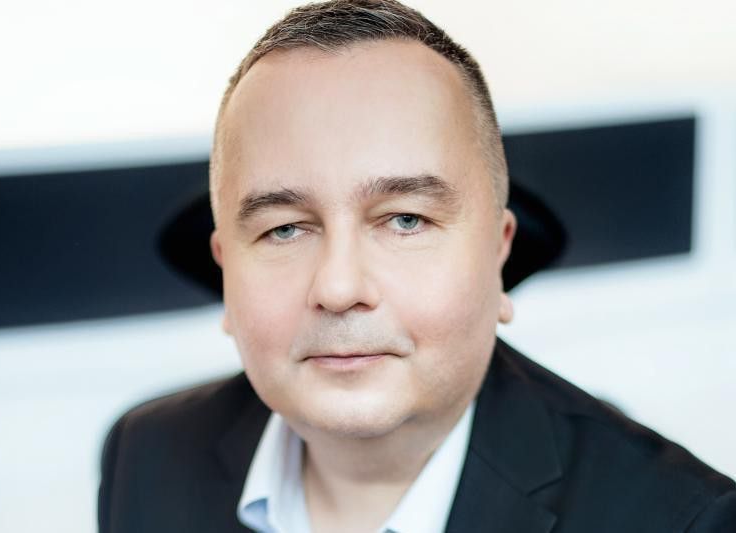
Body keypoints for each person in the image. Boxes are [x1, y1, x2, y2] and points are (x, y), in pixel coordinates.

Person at [97, 1, 736, 532]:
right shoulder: (143, 457)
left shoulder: (683, 521)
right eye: (285, 228)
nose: (339, 288)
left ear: (499, 253)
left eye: (405, 220)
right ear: (225, 274)